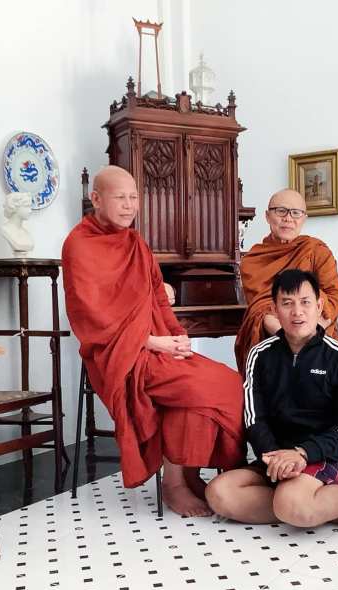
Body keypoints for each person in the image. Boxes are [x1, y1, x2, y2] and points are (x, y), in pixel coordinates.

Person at [61, 165, 246, 517]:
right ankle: (173, 484)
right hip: (117, 355)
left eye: (134, 198)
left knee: (228, 382)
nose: (129, 206)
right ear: (96, 199)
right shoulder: (79, 246)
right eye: (120, 198)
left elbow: (156, 300)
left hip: (155, 344)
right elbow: (92, 318)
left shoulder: (135, 242)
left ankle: (186, 478)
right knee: (200, 387)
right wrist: (153, 343)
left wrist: (176, 336)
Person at [207, 269, 338, 530]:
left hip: (320, 456)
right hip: (276, 457)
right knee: (219, 494)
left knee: (291, 504)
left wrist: (303, 453)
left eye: (305, 302)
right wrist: (273, 457)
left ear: (319, 307)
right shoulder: (260, 355)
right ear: (275, 309)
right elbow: (254, 417)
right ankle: (332, 510)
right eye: (287, 303)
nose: (297, 312)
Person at [235, 188, 338, 375]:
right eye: (281, 211)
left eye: (296, 213)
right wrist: (288, 337)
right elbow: (259, 311)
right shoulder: (253, 260)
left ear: (304, 218)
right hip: (272, 337)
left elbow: (337, 297)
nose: (288, 218)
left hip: (317, 335)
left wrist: (312, 334)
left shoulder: (316, 251)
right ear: (268, 216)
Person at [0, 192, 34, 256]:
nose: (30, 211)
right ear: (15, 208)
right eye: (26, 206)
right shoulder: (5, 230)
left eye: (30, 207)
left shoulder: (26, 233)